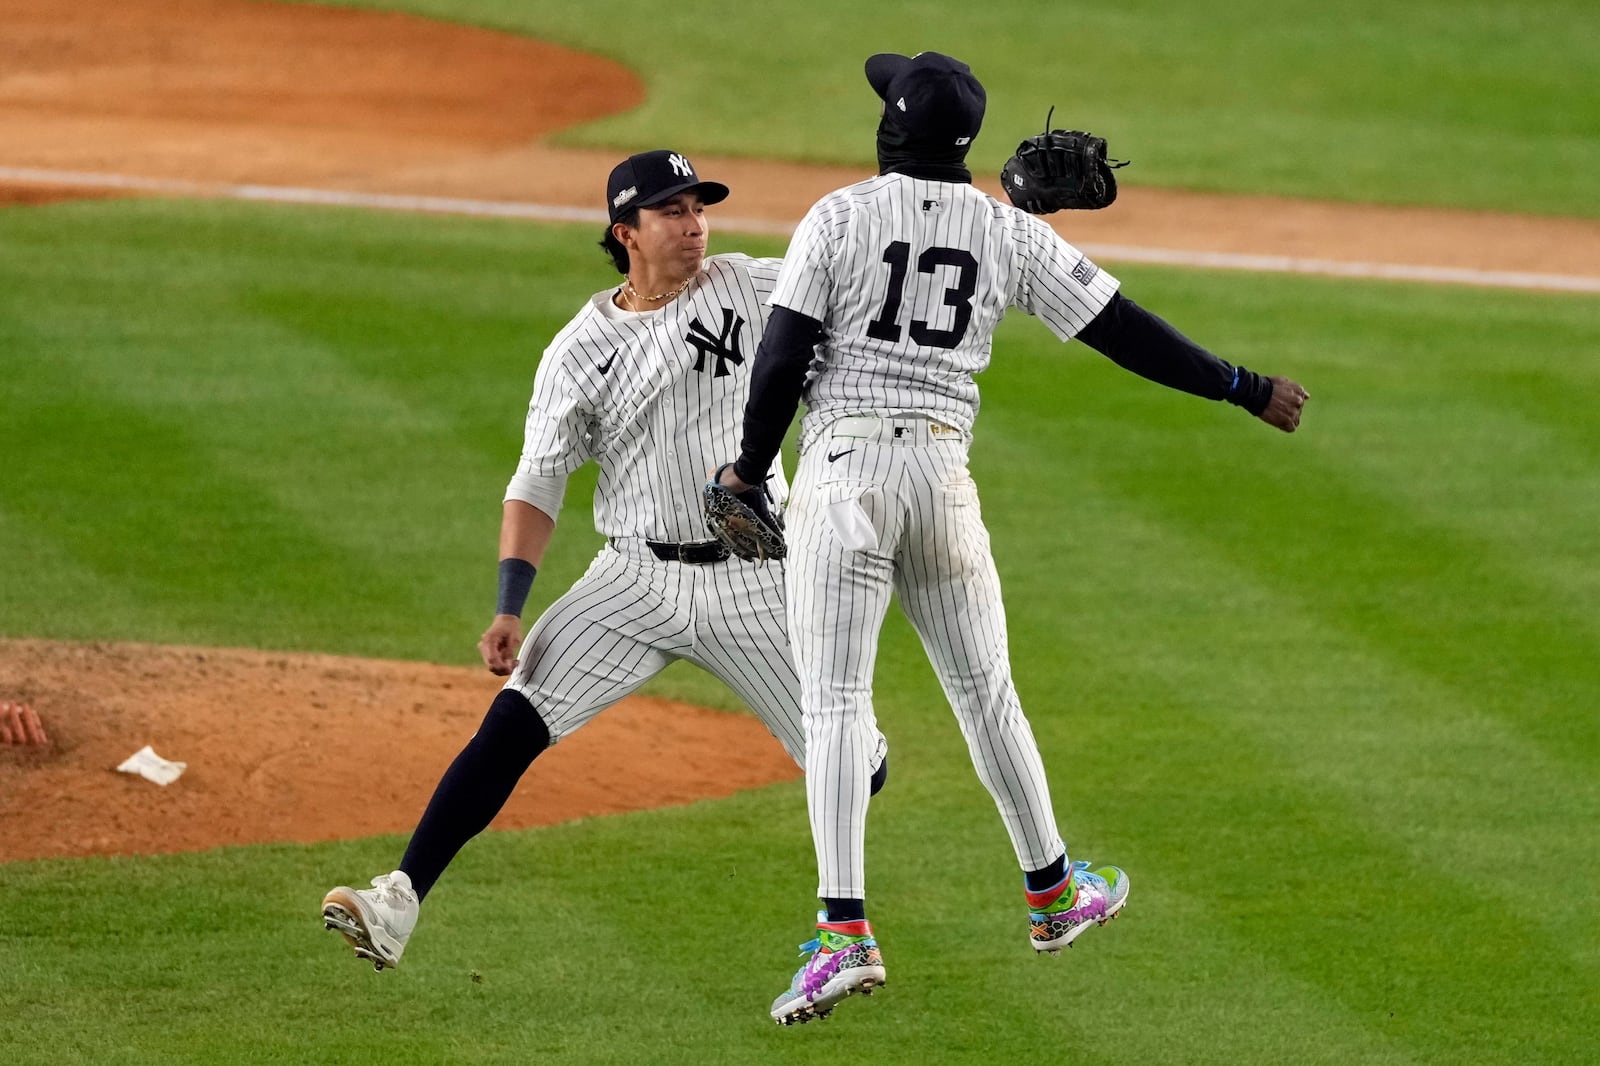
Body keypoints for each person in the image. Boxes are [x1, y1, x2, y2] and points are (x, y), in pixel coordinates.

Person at [716, 52, 1310, 1025]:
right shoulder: (1007, 232)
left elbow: (780, 360)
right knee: (985, 693)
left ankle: (842, 934)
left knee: (832, 706)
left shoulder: (836, 215)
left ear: (890, 129)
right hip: (939, 481)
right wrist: (1242, 386)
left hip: (842, 475)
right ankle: (1051, 892)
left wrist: (746, 466)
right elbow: (1125, 329)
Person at [321, 149, 887, 973]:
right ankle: (398, 900)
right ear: (625, 232)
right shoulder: (580, 350)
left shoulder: (748, 283)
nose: (693, 225)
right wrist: (511, 605)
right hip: (634, 577)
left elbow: (842, 274)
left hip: (754, 572)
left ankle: (854, 827)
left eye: (698, 208)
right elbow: (536, 480)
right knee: (516, 717)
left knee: (856, 769)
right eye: (671, 212)